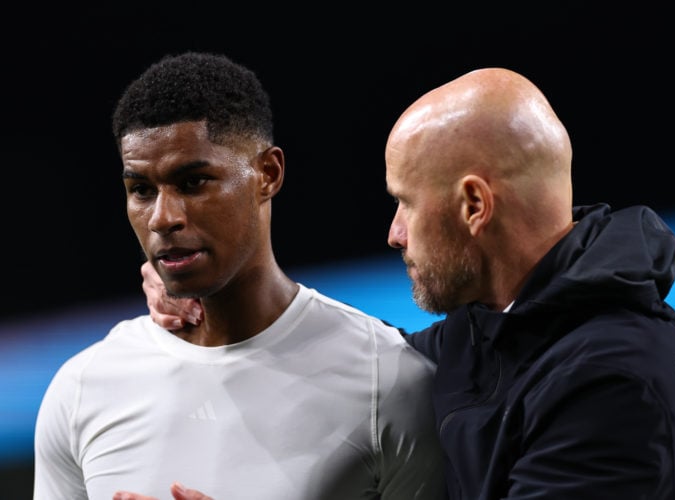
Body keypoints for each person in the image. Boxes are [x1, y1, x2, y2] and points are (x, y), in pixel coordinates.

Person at [144, 66, 675, 498]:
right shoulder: (505, 323)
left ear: (474, 206)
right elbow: (366, 359)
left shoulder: (612, 383)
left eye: (405, 203)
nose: (395, 232)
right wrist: (219, 301)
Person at [32, 51, 445, 500]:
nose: (161, 217)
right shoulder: (82, 388)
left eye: (193, 183)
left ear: (267, 174)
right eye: (141, 190)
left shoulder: (388, 381)